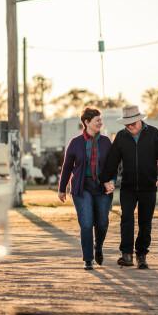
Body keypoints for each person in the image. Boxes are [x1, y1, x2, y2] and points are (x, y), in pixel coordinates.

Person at [101, 105, 158, 269]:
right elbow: (112, 161)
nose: (130, 127)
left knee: (145, 222)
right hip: (128, 186)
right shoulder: (121, 136)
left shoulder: (153, 134)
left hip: (148, 186)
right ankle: (126, 254)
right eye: (127, 124)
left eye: (132, 123)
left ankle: (141, 255)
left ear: (140, 120)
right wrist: (107, 180)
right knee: (126, 218)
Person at [58, 107, 114, 271]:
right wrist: (62, 188)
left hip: (102, 187)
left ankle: (98, 246)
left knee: (102, 222)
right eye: (97, 120)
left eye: (101, 120)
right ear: (87, 122)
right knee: (87, 223)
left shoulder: (106, 142)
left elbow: (113, 165)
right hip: (82, 187)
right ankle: (88, 258)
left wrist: (111, 180)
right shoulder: (75, 142)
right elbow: (67, 166)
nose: (100, 123)